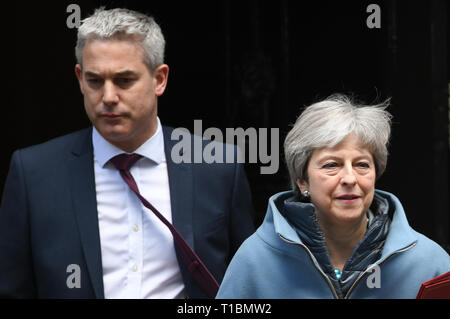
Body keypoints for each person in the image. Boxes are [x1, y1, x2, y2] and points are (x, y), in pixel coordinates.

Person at [0, 8, 255, 299]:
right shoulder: (34, 173)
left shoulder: (217, 167)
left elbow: (247, 285)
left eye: (124, 80)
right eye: (95, 81)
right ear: (80, 78)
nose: (108, 97)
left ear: (160, 79)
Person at [216, 94, 450, 299]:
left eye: (361, 164)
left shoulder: (429, 264)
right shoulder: (256, 261)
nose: (350, 178)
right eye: (331, 165)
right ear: (302, 181)